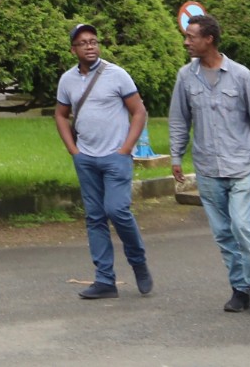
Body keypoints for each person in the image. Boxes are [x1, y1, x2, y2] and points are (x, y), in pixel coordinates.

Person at [168, 13, 250, 317]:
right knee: (223, 233)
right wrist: (176, 156)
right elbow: (179, 119)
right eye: (187, 36)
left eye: (192, 37)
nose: (186, 41)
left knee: (242, 227)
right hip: (207, 168)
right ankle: (239, 289)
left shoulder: (241, 75)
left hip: (241, 164)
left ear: (209, 39)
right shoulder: (185, 77)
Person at [54, 23, 152, 300]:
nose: (90, 46)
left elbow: (139, 111)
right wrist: (74, 150)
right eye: (83, 42)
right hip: (86, 158)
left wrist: (125, 149)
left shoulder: (116, 74)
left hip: (115, 157)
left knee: (117, 210)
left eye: (94, 41)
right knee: (95, 217)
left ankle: (138, 262)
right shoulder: (67, 80)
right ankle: (105, 280)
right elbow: (61, 114)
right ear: (73, 49)